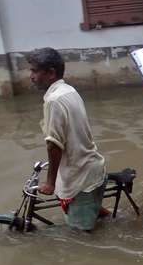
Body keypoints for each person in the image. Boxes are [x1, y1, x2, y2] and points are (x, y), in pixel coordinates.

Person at [27, 47, 107, 231]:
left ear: (51, 73)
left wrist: (49, 183)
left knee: (80, 238)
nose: (31, 76)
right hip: (92, 167)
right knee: (93, 219)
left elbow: (54, 145)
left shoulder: (54, 100)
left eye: (34, 71)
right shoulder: (68, 90)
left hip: (81, 178)